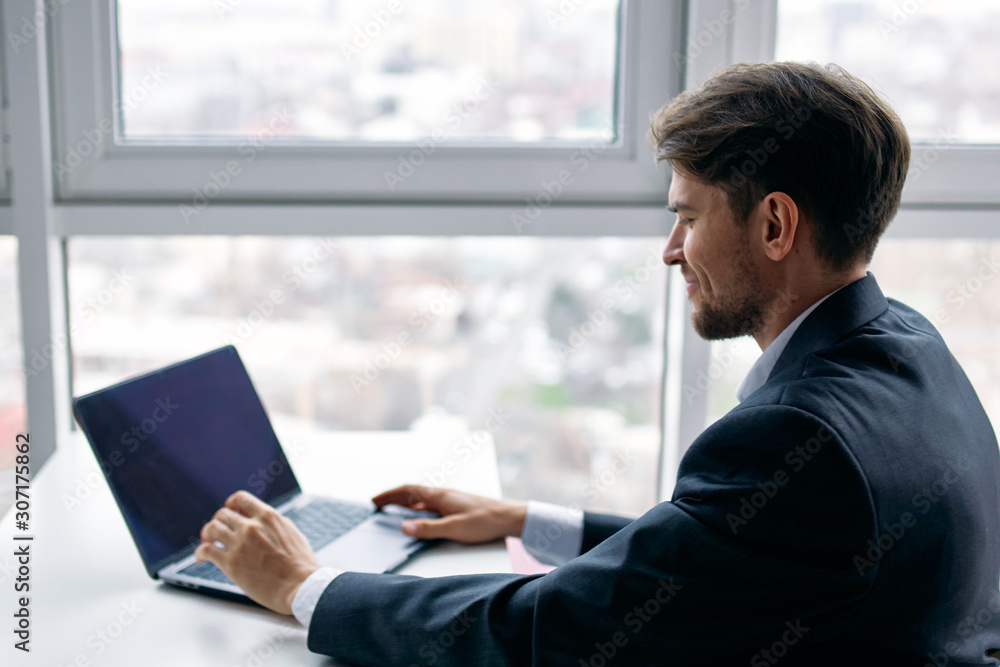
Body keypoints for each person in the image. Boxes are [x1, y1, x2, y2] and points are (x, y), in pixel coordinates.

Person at [195, 62, 1000, 665]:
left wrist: (304, 586)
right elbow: (725, 553)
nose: (671, 250)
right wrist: (526, 521)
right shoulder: (910, 346)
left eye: (688, 216)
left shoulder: (799, 438)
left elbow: (551, 629)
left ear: (776, 224)